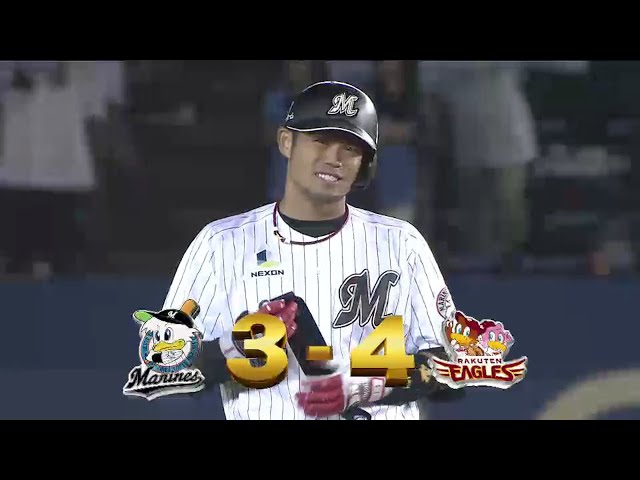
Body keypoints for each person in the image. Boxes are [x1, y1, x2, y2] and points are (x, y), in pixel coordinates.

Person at [161, 81, 463, 420]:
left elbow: (452, 368)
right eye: (320, 140)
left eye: (350, 148)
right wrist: (232, 348)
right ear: (286, 142)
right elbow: (162, 368)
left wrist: (365, 386)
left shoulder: (401, 243)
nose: (334, 158)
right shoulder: (220, 243)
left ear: (365, 163)